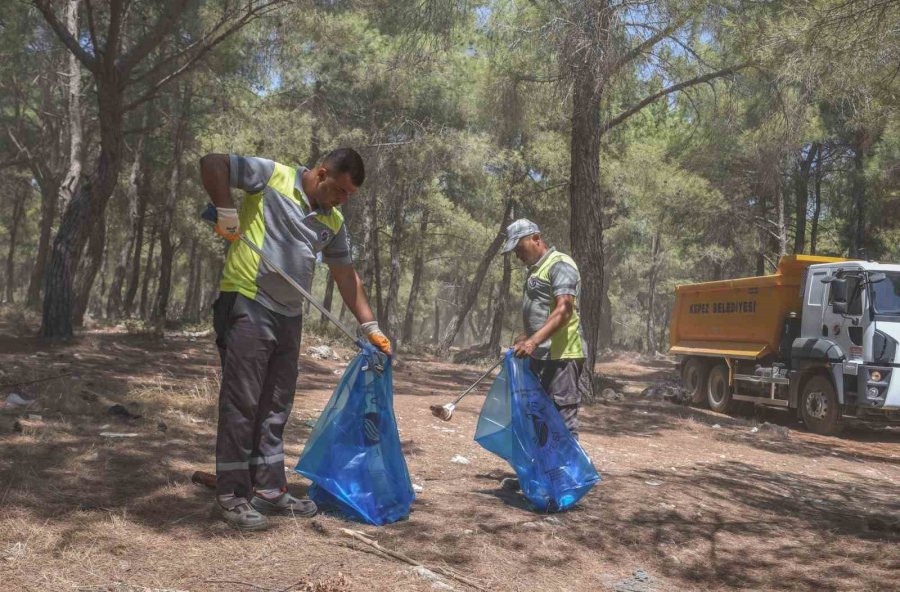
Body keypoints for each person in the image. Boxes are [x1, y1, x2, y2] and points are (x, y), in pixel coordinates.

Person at [199, 148, 391, 531]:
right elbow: (212, 163)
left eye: (349, 195)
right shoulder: (273, 177)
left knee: (276, 404)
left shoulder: (332, 221)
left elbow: (346, 275)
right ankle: (232, 495)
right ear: (321, 174)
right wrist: (225, 209)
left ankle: (269, 490)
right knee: (243, 402)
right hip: (248, 300)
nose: (343, 200)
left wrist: (370, 326)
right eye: (339, 190)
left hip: (289, 315)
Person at [502, 218, 588, 438]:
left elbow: (564, 310)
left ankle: (569, 473)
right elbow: (544, 315)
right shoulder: (535, 271)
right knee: (540, 419)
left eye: (519, 247)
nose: (517, 255)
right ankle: (544, 473)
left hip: (562, 357)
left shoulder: (560, 264)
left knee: (561, 423)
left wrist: (533, 341)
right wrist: (526, 337)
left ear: (536, 238)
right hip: (541, 357)